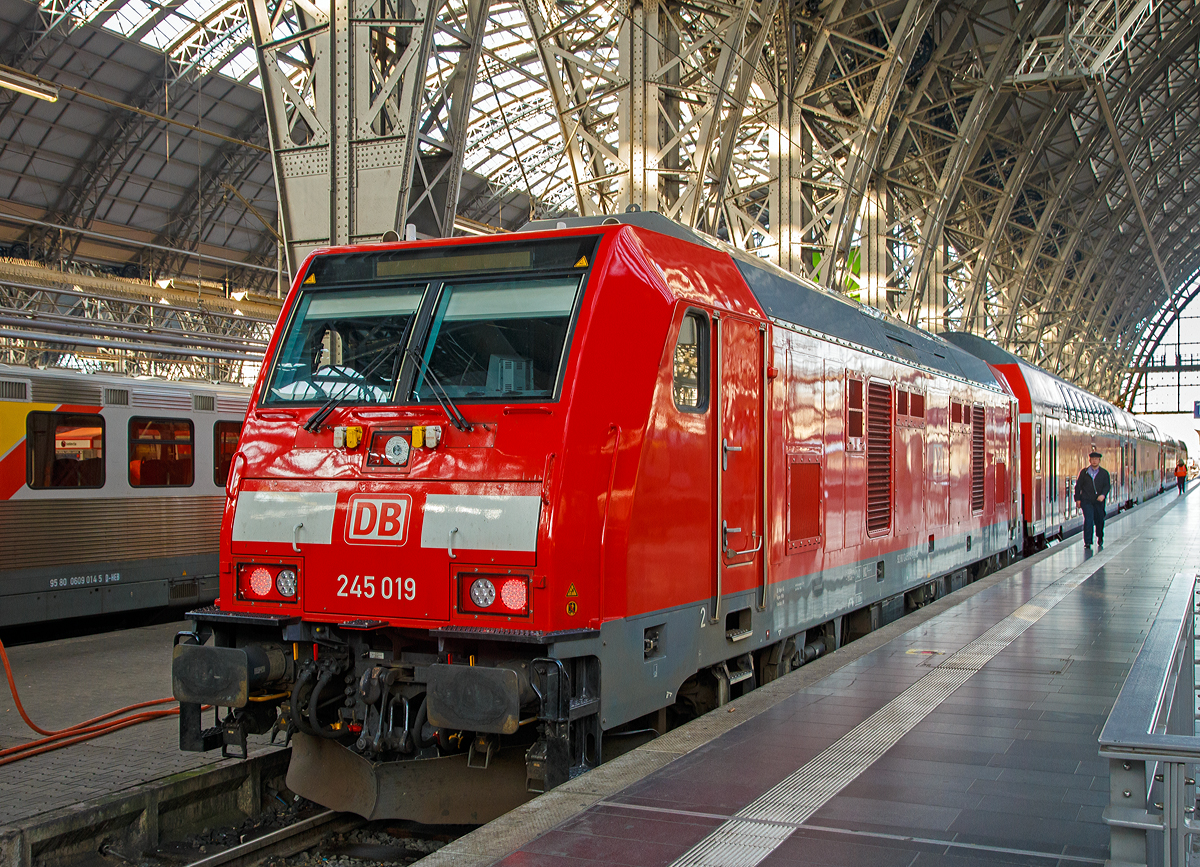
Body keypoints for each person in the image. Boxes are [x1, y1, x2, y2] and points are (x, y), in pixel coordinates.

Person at [1074, 451, 1111, 548]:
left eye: (1096, 459)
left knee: (1099, 520)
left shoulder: (1104, 473)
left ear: (1099, 460)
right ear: (1089, 460)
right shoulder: (1084, 473)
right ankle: (1088, 541)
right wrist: (1078, 499)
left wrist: (1103, 495)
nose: (1094, 461)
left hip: (1098, 502)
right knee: (1089, 520)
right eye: (1092, 459)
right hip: (1086, 501)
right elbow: (1078, 486)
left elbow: (1107, 486)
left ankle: (1100, 536)